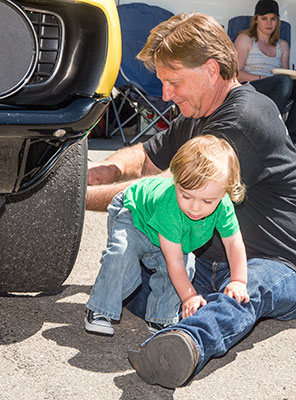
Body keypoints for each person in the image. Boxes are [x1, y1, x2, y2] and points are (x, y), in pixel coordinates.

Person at [87, 12, 296, 389]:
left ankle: (187, 344)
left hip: (273, 263)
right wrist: (101, 172)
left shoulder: (245, 117)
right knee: (136, 276)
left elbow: (164, 188)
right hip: (206, 263)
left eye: (173, 81)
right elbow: (148, 154)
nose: (166, 94)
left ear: (211, 70)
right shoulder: (198, 111)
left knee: (246, 294)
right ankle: (184, 312)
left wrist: (75, 198)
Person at [85, 135, 249, 336]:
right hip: (135, 215)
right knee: (122, 254)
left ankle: (161, 318)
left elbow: (233, 242)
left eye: (207, 201)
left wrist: (239, 281)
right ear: (175, 181)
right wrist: (189, 297)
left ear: (225, 192)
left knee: (186, 266)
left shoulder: (223, 206)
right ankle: (101, 309)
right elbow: (174, 262)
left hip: (166, 232)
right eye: (186, 195)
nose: (195, 208)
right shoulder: (170, 206)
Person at [234, 0, 293, 115]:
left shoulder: (283, 46)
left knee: (287, 82)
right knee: (284, 82)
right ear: (256, 19)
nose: (269, 23)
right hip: (252, 86)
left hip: (276, 88)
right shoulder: (245, 39)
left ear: (277, 21)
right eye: (264, 18)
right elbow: (235, 74)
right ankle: (272, 120)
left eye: (273, 19)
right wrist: (261, 78)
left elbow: (285, 75)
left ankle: (290, 131)